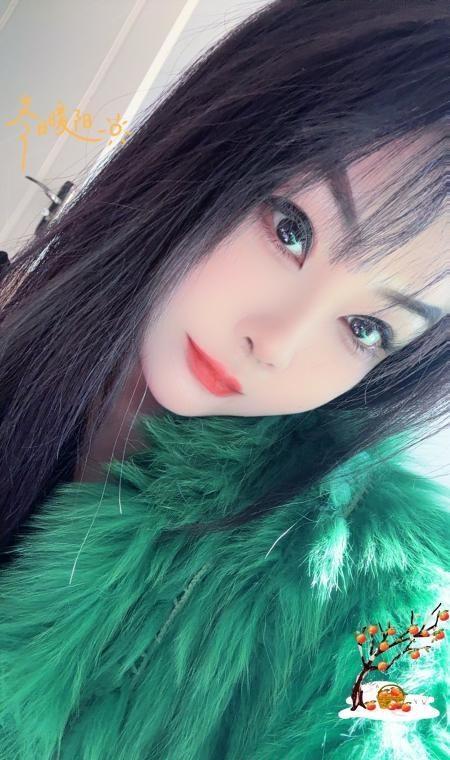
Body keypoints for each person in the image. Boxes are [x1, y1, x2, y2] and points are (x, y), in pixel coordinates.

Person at [0, 1, 448, 758]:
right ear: (211, 155)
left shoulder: (366, 603)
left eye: (367, 327)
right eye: (291, 232)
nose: (275, 344)